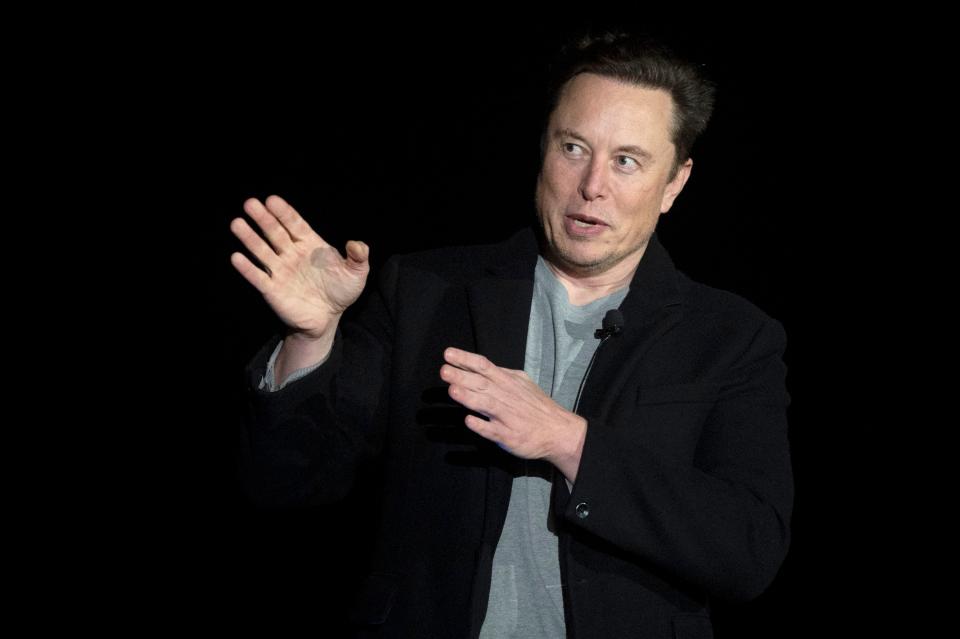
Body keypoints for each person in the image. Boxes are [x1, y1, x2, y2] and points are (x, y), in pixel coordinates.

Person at [231, 31, 793, 639]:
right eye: (574, 147)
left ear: (675, 183)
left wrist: (566, 440)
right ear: (543, 148)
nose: (593, 184)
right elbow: (284, 484)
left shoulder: (731, 337)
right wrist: (311, 340)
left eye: (627, 160)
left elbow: (749, 550)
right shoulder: (426, 290)